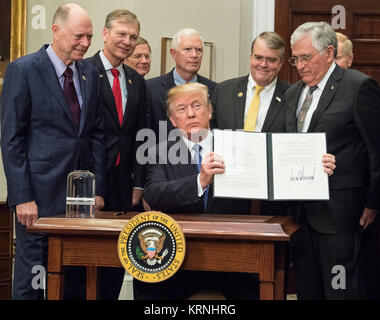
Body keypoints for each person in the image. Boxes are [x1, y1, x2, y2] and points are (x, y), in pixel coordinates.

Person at [138, 82, 336, 300]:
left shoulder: (239, 144)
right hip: (181, 254)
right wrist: (200, 180)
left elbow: (277, 173)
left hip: (234, 255)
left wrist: (315, 166)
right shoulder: (159, 151)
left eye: (197, 105)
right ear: (173, 120)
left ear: (210, 111)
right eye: (182, 109)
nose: (191, 114)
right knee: (149, 285)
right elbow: (154, 195)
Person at [0, 3, 105, 299]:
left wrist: (97, 190)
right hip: (38, 201)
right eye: (78, 36)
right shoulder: (23, 70)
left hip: (79, 204)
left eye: (89, 37)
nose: (85, 44)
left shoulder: (89, 74)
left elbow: (95, 136)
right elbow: (12, 140)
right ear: (56, 30)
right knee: (34, 278)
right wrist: (22, 198)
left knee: (72, 279)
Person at [285, 21, 380, 299]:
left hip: (341, 212)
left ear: (328, 53)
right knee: (308, 288)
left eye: (306, 58)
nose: (299, 66)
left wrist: (373, 203)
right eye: (295, 59)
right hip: (299, 213)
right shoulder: (293, 93)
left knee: (340, 290)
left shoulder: (358, 87)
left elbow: (376, 150)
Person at [85, 9, 147, 299]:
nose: (127, 41)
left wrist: (138, 183)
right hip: (90, 182)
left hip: (125, 186)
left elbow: (142, 135)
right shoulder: (83, 72)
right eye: (121, 34)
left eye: (132, 36)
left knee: (117, 260)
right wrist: (93, 186)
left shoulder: (136, 79)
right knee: (87, 264)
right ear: (106, 33)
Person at [211, 31, 290, 215]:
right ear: (250, 56)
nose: (263, 64)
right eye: (258, 57)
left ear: (281, 63)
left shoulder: (292, 95)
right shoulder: (223, 90)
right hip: (227, 192)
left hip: (272, 199)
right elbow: (210, 134)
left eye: (271, 60)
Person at [146, 28, 216, 139]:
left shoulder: (214, 89)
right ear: (173, 53)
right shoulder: (150, 88)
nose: (194, 55)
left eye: (199, 50)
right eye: (187, 49)